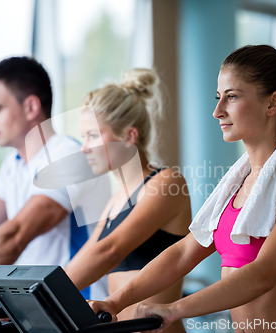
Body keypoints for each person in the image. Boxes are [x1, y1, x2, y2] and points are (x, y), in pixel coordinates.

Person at [89, 45, 276, 333]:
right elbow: (182, 254)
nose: (217, 111)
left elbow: (263, 274)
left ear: (273, 103)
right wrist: (115, 302)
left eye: (231, 97)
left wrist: (174, 309)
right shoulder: (236, 186)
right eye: (219, 98)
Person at [0, 56, 110, 301]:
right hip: (39, 306)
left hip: (79, 307)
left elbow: (16, 235)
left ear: (31, 107)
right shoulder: (13, 165)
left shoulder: (68, 156)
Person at [64, 68, 191, 332]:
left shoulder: (167, 183)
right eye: (83, 136)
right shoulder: (116, 200)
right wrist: (22, 299)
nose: (84, 147)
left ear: (129, 136)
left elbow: (110, 251)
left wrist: (39, 296)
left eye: (93, 135)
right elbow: (86, 256)